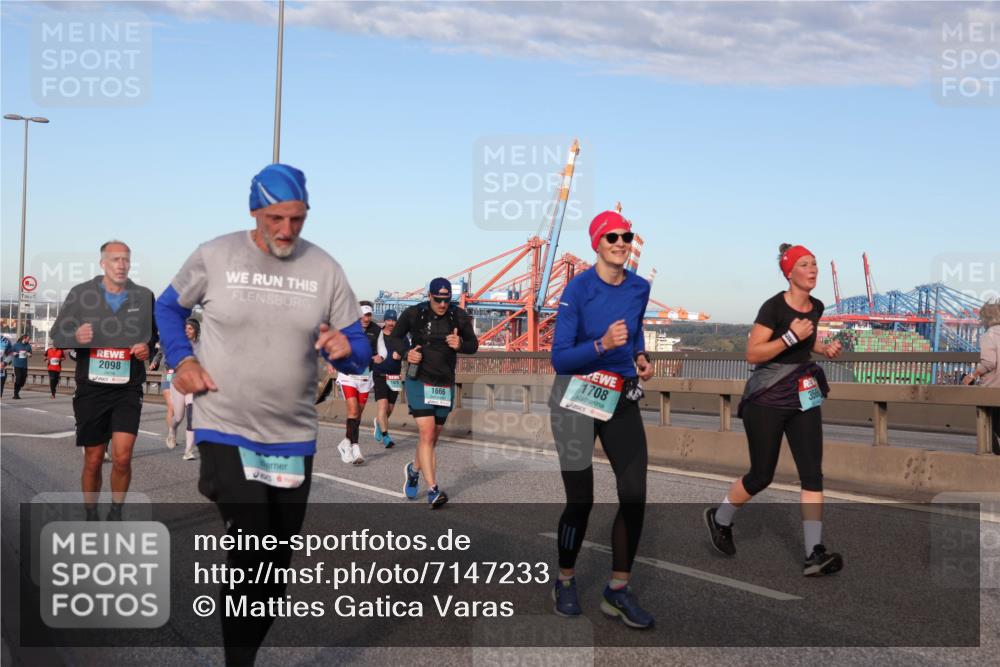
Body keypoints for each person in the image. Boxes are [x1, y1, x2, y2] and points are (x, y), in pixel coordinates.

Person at [155, 163, 369, 667]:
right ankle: (217, 479)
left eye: (298, 219)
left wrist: (344, 348)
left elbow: (358, 348)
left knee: (273, 571)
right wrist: (181, 359)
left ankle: (242, 655)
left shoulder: (325, 268)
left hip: (292, 434)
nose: (287, 230)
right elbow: (168, 308)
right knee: (251, 541)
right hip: (224, 421)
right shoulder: (215, 255)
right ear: (254, 210)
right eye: (276, 217)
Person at [704, 243, 845, 577]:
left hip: (802, 395)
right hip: (766, 398)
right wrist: (791, 337)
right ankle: (720, 518)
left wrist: (823, 348)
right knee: (761, 475)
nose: (813, 270)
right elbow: (753, 353)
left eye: (815, 265)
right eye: (806, 264)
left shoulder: (817, 306)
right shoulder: (773, 308)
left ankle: (814, 552)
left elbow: (805, 343)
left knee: (812, 473)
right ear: (790, 272)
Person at [547, 210, 655, 629]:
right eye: (612, 237)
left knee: (634, 493)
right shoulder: (578, 289)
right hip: (574, 395)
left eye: (627, 236)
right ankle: (566, 579)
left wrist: (641, 357)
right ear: (597, 242)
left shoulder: (640, 288)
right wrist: (601, 343)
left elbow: (637, 329)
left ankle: (617, 590)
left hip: (620, 395)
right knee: (581, 500)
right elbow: (559, 356)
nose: (621, 242)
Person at [51, 240, 157, 521]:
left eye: (126, 259)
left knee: (122, 458)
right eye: (115, 259)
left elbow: (153, 337)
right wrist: (75, 337)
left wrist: (148, 347)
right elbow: (56, 334)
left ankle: (116, 511)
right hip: (92, 389)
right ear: (102, 263)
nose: (121, 264)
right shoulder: (81, 294)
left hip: (127, 389)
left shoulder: (144, 296)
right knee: (94, 460)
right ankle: (90, 513)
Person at [388, 278, 478, 508]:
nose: (442, 304)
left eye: (446, 300)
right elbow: (395, 337)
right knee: (427, 433)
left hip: (444, 382)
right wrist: (408, 353)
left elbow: (473, 345)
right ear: (429, 296)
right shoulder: (413, 314)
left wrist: (460, 345)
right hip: (419, 380)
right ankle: (433, 490)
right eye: (438, 299)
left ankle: (414, 469)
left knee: (432, 438)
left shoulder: (458, 316)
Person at [335, 301, 381, 464]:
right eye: (362, 315)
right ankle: (355, 448)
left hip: (365, 377)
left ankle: (345, 442)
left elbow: (382, 351)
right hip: (348, 375)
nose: (365, 318)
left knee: (357, 415)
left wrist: (380, 357)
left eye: (368, 315)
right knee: (353, 410)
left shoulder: (376, 330)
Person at [963, 299, 1000, 455]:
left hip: (992, 388)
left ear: (986, 319)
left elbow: (989, 363)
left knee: (987, 423)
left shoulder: (989, 335)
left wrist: (971, 375)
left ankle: (992, 457)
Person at [372, 309, 403, 448]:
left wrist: (401, 356)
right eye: (388, 320)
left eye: (393, 320)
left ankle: (379, 423)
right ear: (385, 321)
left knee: (389, 409)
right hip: (379, 375)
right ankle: (386, 437)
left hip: (395, 376)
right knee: (383, 406)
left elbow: (407, 351)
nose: (391, 323)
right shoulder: (378, 334)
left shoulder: (400, 335)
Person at [176, 318, 201, 461]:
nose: (187, 331)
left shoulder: (203, 345)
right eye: (185, 328)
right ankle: (173, 429)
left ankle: (188, 451)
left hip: (193, 386)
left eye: (190, 328)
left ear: (196, 330)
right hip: (179, 384)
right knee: (179, 417)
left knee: (191, 418)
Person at [11, 334, 32, 399]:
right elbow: (10, 352)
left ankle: (17, 390)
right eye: (28, 339)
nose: (29, 340)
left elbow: (31, 354)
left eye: (29, 339)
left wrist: (29, 354)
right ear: (24, 338)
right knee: (18, 378)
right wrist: (14, 353)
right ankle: (15, 394)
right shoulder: (16, 345)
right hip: (17, 365)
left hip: (24, 366)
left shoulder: (28, 346)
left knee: (23, 380)